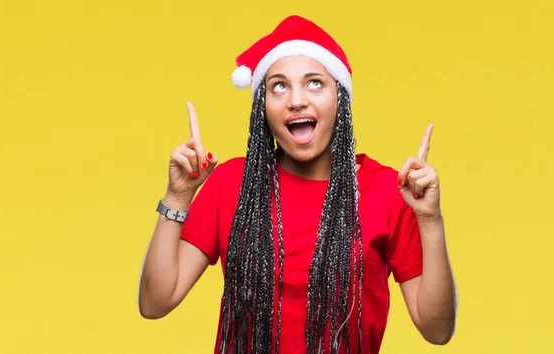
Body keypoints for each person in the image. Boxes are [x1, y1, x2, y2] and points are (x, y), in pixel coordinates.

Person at [137, 15, 458, 354]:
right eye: (279, 86)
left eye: (314, 83)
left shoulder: (388, 192)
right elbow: (154, 303)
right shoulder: (232, 184)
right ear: (263, 107)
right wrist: (179, 196)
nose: (296, 100)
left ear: (341, 99)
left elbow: (437, 330)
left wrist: (430, 219)